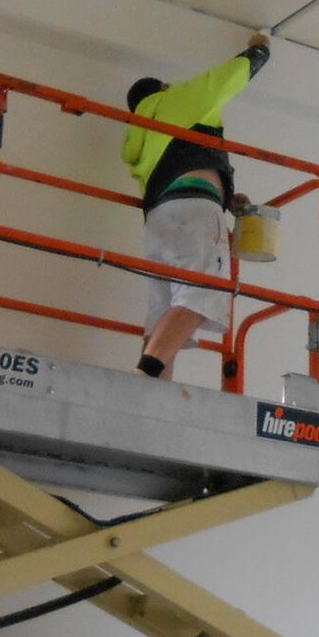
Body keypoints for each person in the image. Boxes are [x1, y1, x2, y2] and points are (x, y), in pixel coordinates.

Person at [121, 32, 271, 379]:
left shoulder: (142, 135)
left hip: (159, 218)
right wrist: (258, 51)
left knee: (163, 308)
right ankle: (145, 373)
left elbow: (177, 165)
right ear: (162, 88)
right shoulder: (179, 99)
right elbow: (227, 80)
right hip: (195, 208)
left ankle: (152, 390)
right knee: (200, 294)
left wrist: (225, 197)